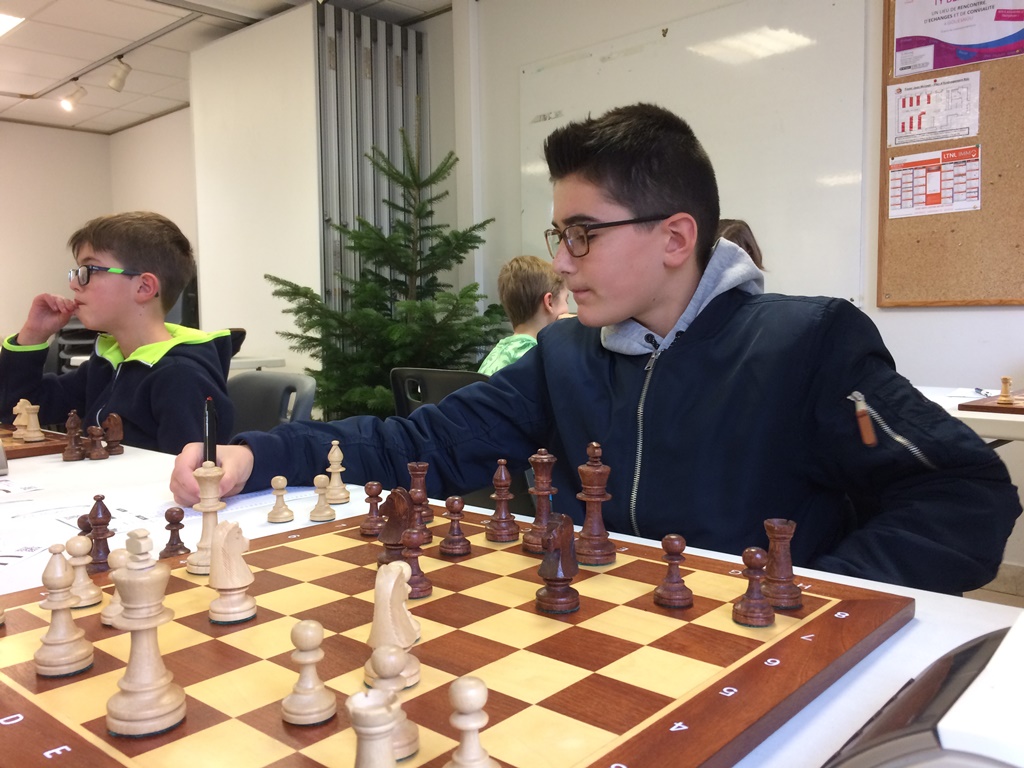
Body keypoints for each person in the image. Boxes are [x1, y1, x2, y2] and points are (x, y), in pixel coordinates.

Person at [171, 104, 1020, 595]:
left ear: (676, 237)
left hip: (757, 652)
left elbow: (965, 494)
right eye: (559, 234)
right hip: (604, 637)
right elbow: (422, 442)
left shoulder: (808, 341)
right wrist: (258, 453)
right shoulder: (566, 356)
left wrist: (815, 594)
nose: (562, 262)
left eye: (584, 234)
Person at [1, 211, 235, 453]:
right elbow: (18, 413)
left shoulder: (181, 377)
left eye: (88, 271)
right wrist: (32, 335)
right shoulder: (108, 363)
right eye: (77, 272)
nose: (73, 284)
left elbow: (188, 470)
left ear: (144, 287)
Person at [478, 255, 569, 375]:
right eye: (566, 300)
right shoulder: (539, 357)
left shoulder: (497, 353)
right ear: (549, 302)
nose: (567, 309)